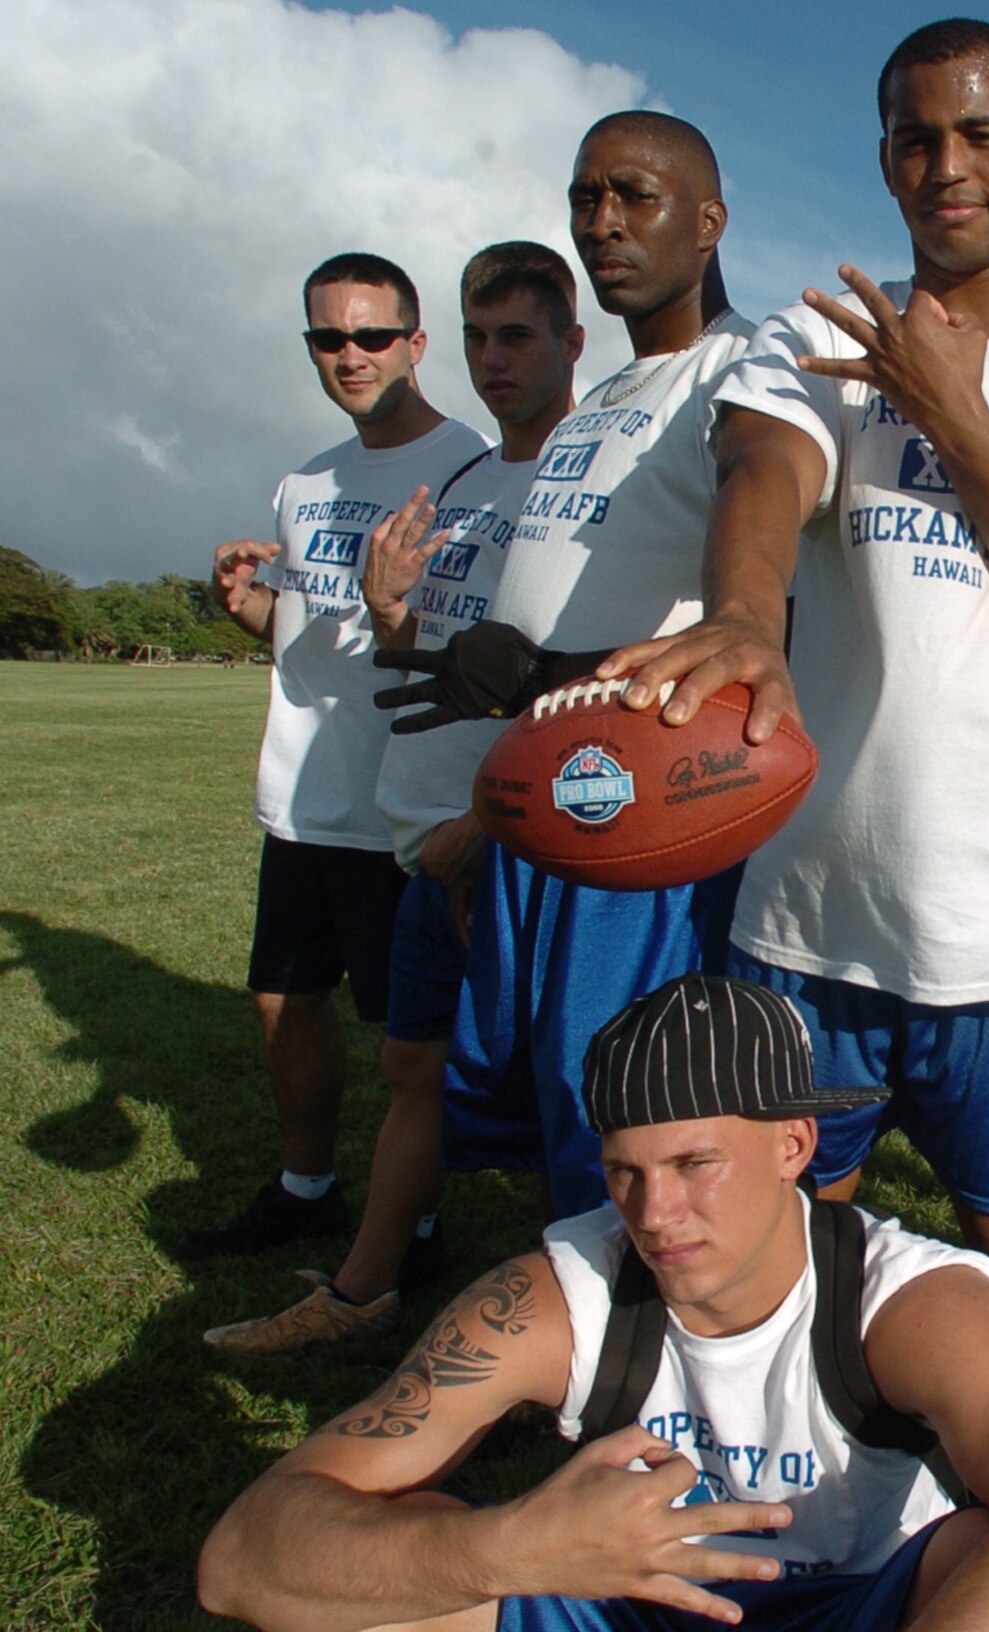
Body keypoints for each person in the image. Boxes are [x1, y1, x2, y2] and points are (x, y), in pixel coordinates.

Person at [595, 19, 989, 1382]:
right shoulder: (816, 334)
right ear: (884, 159)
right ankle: (813, 1483)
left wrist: (950, 406)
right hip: (813, 913)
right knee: (790, 1226)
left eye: (979, 135)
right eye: (917, 138)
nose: (947, 165)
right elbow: (763, 469)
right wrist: (745, 612)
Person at [197, 974, 989, 1632]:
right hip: (622, 1602)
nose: (654, 1216)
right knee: (398, 1585)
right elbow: (243, 1556)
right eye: (623, 1172)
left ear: (794, 1147)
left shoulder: (907, 1301)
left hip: (867, 1607)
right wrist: (505, 1547)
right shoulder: (558, 1299)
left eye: (696, 1165)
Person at [204, 242, 584, 1353]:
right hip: (419, 830)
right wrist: (389, 613)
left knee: (563, 1092)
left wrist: (499, 820)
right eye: (481, 336)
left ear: (572, 342)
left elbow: (585, 678)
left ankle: (590, 1345)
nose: (493, 358)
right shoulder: (464, 488)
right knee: (411, 1065)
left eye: (517, 335)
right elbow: (426, 661)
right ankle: (364, 1289)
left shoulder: (576, 491)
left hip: (495, 837)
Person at [386, 113, 760, 1222]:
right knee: (549, 1090)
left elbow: (755, 601)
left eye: (633, 198)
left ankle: (659, 1366)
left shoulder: (747, 369)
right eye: (583, 199)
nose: (601, 224)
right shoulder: (595, 403)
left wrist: (556, 666)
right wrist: (510, 676)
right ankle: (584, 1351)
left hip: (645, 806)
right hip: (552, 795)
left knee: (630, 1099)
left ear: (707, 223)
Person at [185, 254, 489, 1260]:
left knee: (411, 1041)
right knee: (284, 998)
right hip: (301, 797)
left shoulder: (469, 467)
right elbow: (303, 627)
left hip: (398, 802)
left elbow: (467, 640)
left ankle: (418, 1224)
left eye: (371, 335)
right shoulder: (302, 480)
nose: (349, 356)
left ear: (415, 342)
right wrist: (247, 607)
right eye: (328, 338)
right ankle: (305, 1185)